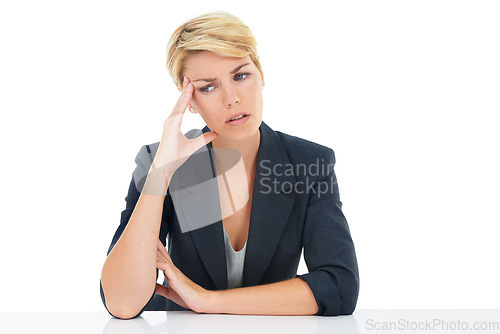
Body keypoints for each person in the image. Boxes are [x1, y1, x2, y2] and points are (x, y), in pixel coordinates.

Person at [100, 11, 359, 319]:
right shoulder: (158, 162)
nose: (232, 99)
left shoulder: (309, 162)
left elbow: (339, 286)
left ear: (260, 74)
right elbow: (122, 303)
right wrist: (162, 172)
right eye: (208, 87)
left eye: (240, 75)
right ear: (189, 100)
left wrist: (205, 301)